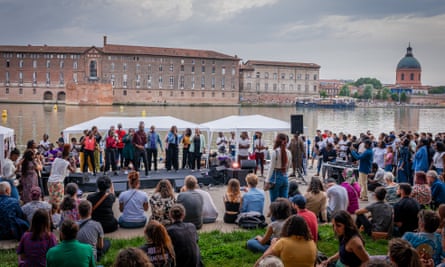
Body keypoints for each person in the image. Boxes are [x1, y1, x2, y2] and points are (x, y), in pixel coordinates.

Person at [266, 133, 292, 202]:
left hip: (275, 177)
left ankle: (275, 213)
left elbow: (271, 168)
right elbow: (288, 166)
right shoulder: (288, 152)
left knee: (274, 201)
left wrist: (267, 180)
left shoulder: (275, 152)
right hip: (285, 177)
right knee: (284, 202)